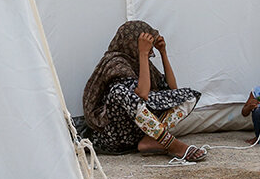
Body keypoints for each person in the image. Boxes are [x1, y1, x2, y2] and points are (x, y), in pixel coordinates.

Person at [81, 20, 206, 161]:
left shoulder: (142, 63)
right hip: (114, 137)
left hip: (140, 132)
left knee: (188, 96)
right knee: (119, 91)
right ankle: (171, 143)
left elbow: (172, 89)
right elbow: (142, 94)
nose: (150, 49)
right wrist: (143, 53)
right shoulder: (114, 62)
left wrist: (163, 53)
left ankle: (151, 139)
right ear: (132, 42)